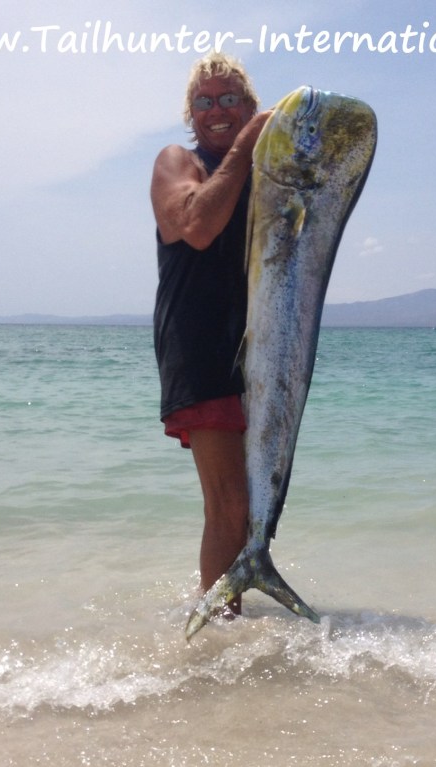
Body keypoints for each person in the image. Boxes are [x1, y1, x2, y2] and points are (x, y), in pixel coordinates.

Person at [150, 52, 271, 615]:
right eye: (204, 100)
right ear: (190, 114)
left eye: (229, 99)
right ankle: (217, 630)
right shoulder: (178, 162)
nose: (216, 109)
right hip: (198, 345)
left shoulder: (262, 173)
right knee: (228, 502)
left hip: (256, 349)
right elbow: (197, 227)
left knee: (252, 504)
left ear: (248, 105)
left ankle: (230, 619)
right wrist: (247, 146)